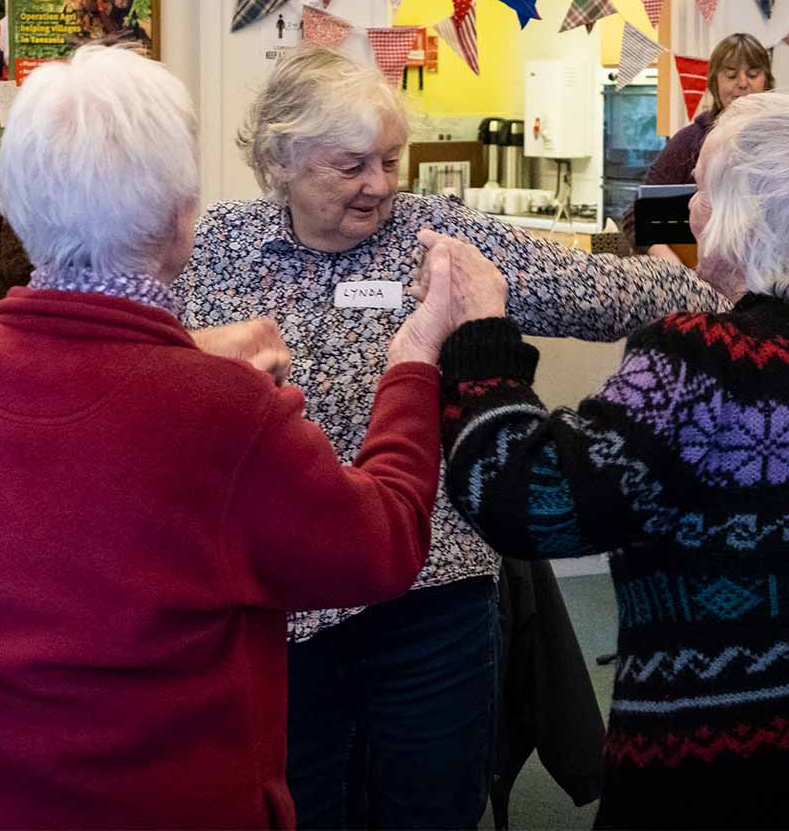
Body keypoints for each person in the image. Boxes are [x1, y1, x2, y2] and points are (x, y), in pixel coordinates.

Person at [0, 43, 465, 829]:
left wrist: (187, 357)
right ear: (181, 214)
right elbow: (382, 544)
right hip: (141, 797)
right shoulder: (222, 408)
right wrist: (416, 359)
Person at [174, 45, 727, 830]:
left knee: (434, 807)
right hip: (282, 598)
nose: (379, 185)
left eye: (391, 160)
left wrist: (720, 291)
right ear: (279, 160)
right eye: (352, 165)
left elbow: (589, 292)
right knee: (298, 806)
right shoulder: (213, 251)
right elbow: (128, 359)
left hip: (431, 591)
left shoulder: (437, 239)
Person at [431, 88, 789, 829]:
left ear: (736, 210)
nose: (688, 210)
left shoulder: (704, 359)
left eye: (700, 190)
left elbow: (530, 499)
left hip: (711, 761)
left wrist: (483, 339)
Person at [625, 32, 774, 259]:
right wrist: (678, 272)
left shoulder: (780, 140)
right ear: (715, 82)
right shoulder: (689, 141)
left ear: (767, 81)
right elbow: (635, 219)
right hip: (698, 281)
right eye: (731, 75)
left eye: (753, 74)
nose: (743, 83)